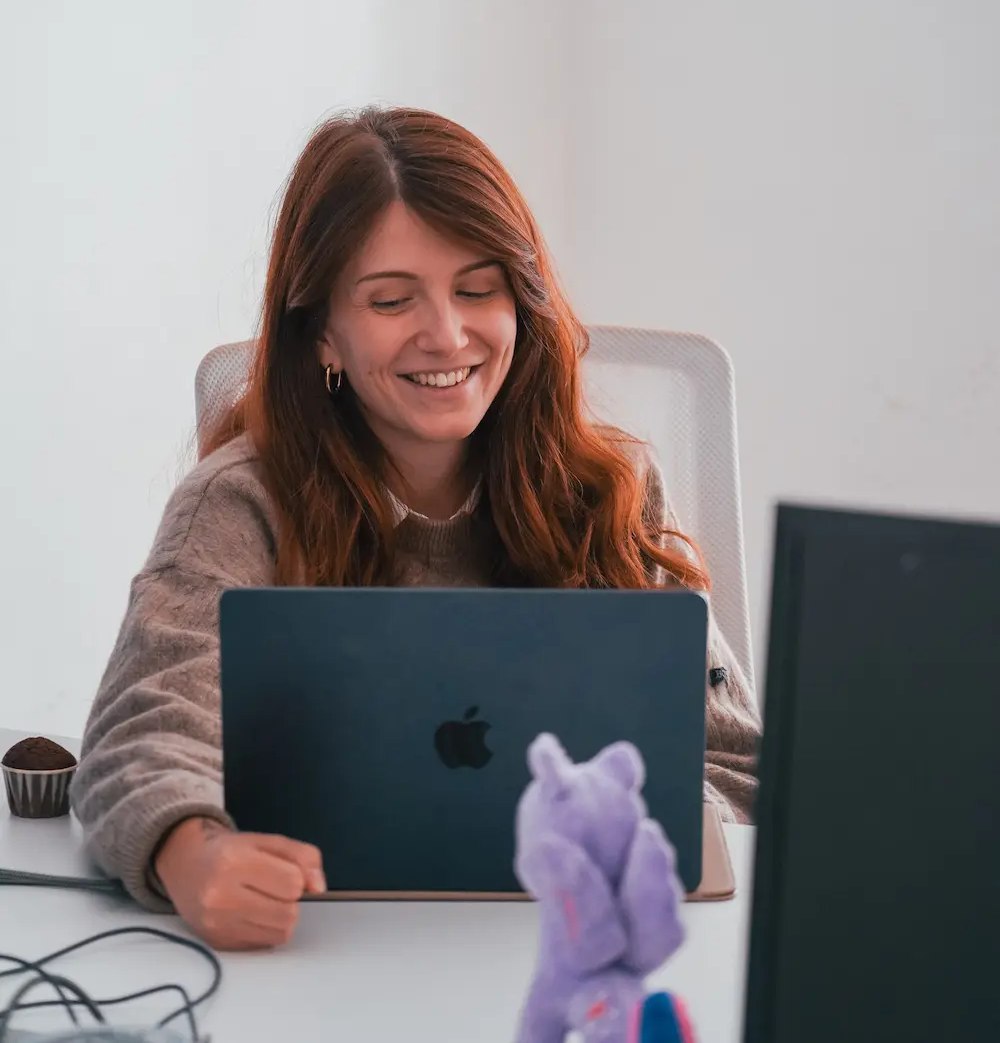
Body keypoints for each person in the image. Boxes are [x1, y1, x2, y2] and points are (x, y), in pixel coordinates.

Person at [71, 107, 760, 952]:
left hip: (577, 947)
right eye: (393, 300)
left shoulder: (609, 491)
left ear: (523, 302)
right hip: (329, 952)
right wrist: (191, 853)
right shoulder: (241, 502)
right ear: (321, 329)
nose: (447, 333)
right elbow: (141, 731)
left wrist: (660, 837)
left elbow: (735, 764)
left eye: (478, 289)